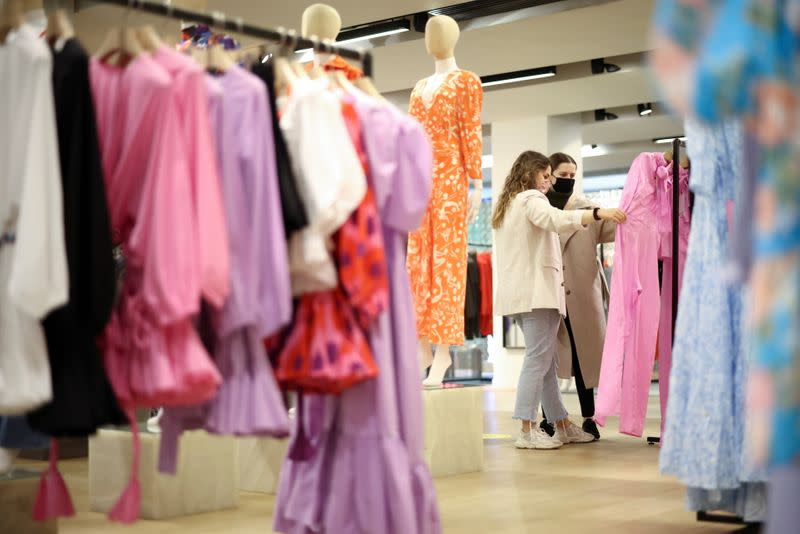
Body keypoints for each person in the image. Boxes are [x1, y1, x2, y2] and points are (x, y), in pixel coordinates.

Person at [493, 151, 626, 450]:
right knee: (537, 361)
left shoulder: (509, 206)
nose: (549, 182)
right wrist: (596, 213)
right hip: (538, 294)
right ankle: (526, 429)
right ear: (530, 174)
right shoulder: (531, 199)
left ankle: (562, 424)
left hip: (523, 295)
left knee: (546, 362)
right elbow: (555, 218)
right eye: (546, 176)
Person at [539, 152, 618, 441]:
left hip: (583, 292)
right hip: (550, 293)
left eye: (573, 175)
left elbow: (611, 228)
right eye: (563, 175)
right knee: (547, 358)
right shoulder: (539, 209)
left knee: (584, 357)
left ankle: (589, 418)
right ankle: (548, 418)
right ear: (549, 174)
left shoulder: (588, 207)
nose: (568, 180)